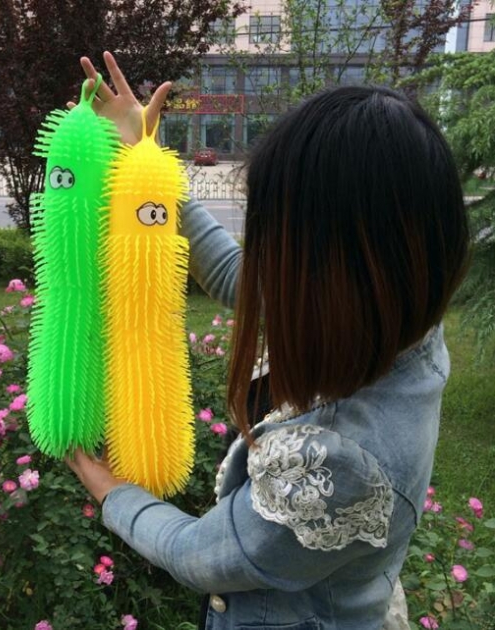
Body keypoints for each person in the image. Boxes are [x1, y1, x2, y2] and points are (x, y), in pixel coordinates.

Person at [66, 52, 469, 629]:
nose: (265, 264)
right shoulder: (399, 314)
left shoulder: (338, 464)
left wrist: (110, 490)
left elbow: (200, 554)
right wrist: (146, 163)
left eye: (277, 240)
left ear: (339, 268)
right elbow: (244, 281)